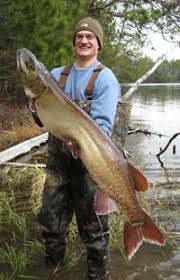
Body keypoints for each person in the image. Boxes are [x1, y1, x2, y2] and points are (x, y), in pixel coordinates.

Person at [35, 17, 121, 280]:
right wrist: (33, 107)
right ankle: (54, 270)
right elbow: (42, 120)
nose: (84, 41)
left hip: (91, 166)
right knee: (51, 224)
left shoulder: (105, 79)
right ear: (74, 42)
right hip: (58, 167)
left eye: (90, 37)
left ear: (98, 44)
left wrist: (80, 142)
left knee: (94, 232)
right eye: (80, 36)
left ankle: (97, 277)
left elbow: (103, 129)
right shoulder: (55, 75)